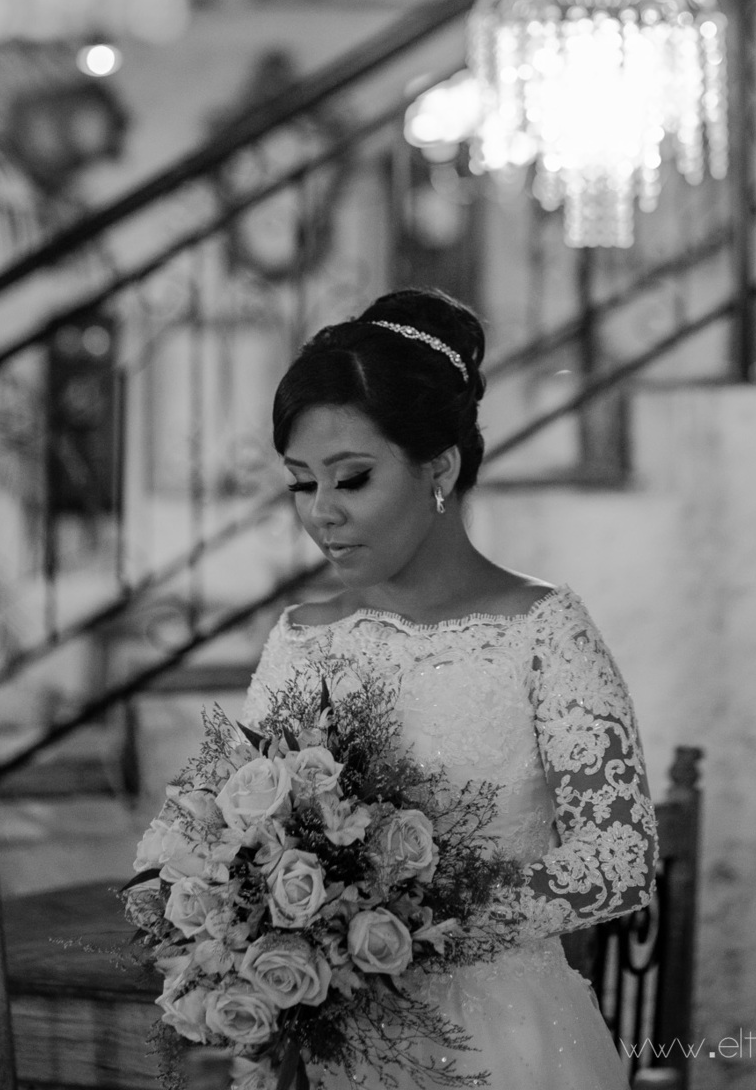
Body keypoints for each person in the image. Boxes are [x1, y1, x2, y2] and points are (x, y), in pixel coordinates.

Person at [238, 285, 658, 1089]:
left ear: (440, 467)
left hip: (508, 1043)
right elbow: (240, 837)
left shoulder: (544, 632)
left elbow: (620, 859)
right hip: (337, 1046)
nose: (321, 514)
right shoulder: (300, 640)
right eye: (300, 483)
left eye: (351, 479)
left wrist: (406, 915)